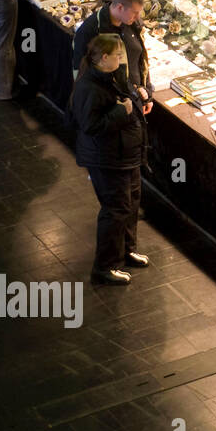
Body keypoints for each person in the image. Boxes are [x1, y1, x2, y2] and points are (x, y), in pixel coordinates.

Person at [69, 34, 149, 286]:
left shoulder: (112, 75)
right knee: (115, 209)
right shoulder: (88, 87)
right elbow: (90, 125)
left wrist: (136, 96)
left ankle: (126, 249)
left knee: (131, 202)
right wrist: (120, 111)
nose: (122, 59)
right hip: (106, 157)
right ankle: (104, 266)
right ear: (104, 58)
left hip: (126, 154)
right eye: (117, 55)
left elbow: (125, 98)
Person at [71, 0, 154, 115]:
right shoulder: (91, 30)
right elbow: (80, 72)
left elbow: (141, 57)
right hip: (112, 107)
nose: (138, 17)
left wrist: (147, 93)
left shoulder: (132, 23)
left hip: (135, 99)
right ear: (120, 7)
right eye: (135, 12)